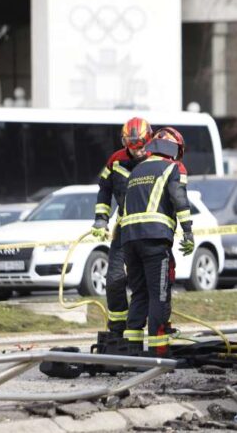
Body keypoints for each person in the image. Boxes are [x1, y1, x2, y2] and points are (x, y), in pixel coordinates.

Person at [120, 127, 194, 357]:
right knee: (158, 294)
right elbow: (179, 199)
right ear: (175, 149)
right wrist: (188, 231)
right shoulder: (171, 167)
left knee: (139, 294)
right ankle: (158, 351)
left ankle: (132, 350)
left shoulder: (136, 170)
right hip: (154, 239)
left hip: (129, 240)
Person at [92, 117, 153, 337]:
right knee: (114, 281)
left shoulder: (156, 160)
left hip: (150, 232)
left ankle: (155, 328)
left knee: (152, 285)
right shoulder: (115, 161)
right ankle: (118, 330)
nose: (138, 150)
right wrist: (101, 218)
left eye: (141, 144)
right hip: (123, 230)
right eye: (133, 144)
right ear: (125, 142)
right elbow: (104, 190)